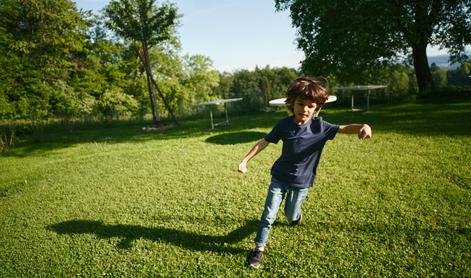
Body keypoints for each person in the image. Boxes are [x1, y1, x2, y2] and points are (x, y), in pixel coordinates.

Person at [238, 77, 372, 269]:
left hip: (302, 181)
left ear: (317, 108)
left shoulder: (321, 127)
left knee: (290, 214)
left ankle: (296, 217)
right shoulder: (284, 125)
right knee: (269, 214)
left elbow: (343, 128)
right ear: (292, 103)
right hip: (280, 177)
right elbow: (264, 142)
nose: (305, 109)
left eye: (311, 106)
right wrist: (244, 160)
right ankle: (258, 249)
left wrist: (363, 126)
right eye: (301, 104)